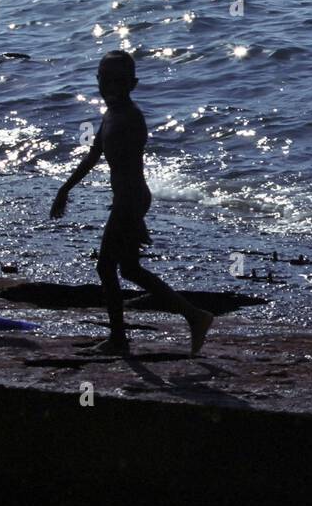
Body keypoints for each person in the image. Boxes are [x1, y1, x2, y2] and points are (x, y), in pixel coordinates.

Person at [50, 50, 213, 355]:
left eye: (119, 81)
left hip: (131, 200)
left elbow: (129, 174)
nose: (111, 86)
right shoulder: (111, 112)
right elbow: (94, 154)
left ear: (133, 84)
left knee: (105, 268)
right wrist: (65, 188)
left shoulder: (130, 118)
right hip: (126, 200)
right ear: (98, 81)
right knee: (129, 269)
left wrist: (134, 217)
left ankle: (119, 339)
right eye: (106, 80)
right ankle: (194, 316)